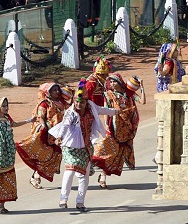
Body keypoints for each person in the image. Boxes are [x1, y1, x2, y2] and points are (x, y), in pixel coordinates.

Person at [49, 79, 118, 212]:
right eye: (77, 102)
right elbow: (65, 126)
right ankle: (63, 198)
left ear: (87, 101)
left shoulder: (91, 107)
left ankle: (80, 202)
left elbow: (102, 110)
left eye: (82, 102)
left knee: (84, 175)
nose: (79, 104)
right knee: (69, 171)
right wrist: (59, 137)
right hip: (70, 147)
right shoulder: (70, 113)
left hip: (85, 147)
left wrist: (115, 112)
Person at [0, 97, 35, 215]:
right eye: (4, 106)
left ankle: (2, 206)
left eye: (7, 105)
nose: (6, 108)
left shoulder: (6, 118)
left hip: (8, 153)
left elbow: (14, 124)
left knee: (6, 178)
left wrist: (29, 120)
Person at [92, 74, 140, 188]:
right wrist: (106, 125)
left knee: (117, 155)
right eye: (111, 82)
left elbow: (142, 101)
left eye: (115, 82)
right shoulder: (108, 95)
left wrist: (141, 86)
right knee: (107, 151)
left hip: (126, 129)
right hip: (114, 128)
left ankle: (103, 176)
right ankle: (102, 175)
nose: (113, 85)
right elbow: (106, 109)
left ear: (120, 82)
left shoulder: (128, 94)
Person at [16, 83, 67, 189]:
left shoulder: (61, 102)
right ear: (48, 92)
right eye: (54, 90)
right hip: (48, 133)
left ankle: (36, 176)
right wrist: (44, 127)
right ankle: (35, 177)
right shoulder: (44, 104)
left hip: (59, 132)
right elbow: (41, 117)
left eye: (58, 90)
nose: (57, 92)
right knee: (45, 156)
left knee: (54, 155)